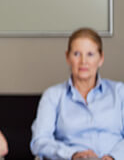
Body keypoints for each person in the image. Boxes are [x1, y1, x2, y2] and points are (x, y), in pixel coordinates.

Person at [31, 28, 124, 160]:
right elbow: (39, 141)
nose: (83, 61)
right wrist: (72, 155)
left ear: (101, 58)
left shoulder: (120, 92)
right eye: (76, 54)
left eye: (90, 54)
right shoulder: (53, 95)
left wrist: (112, 157)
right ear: (67, 57)